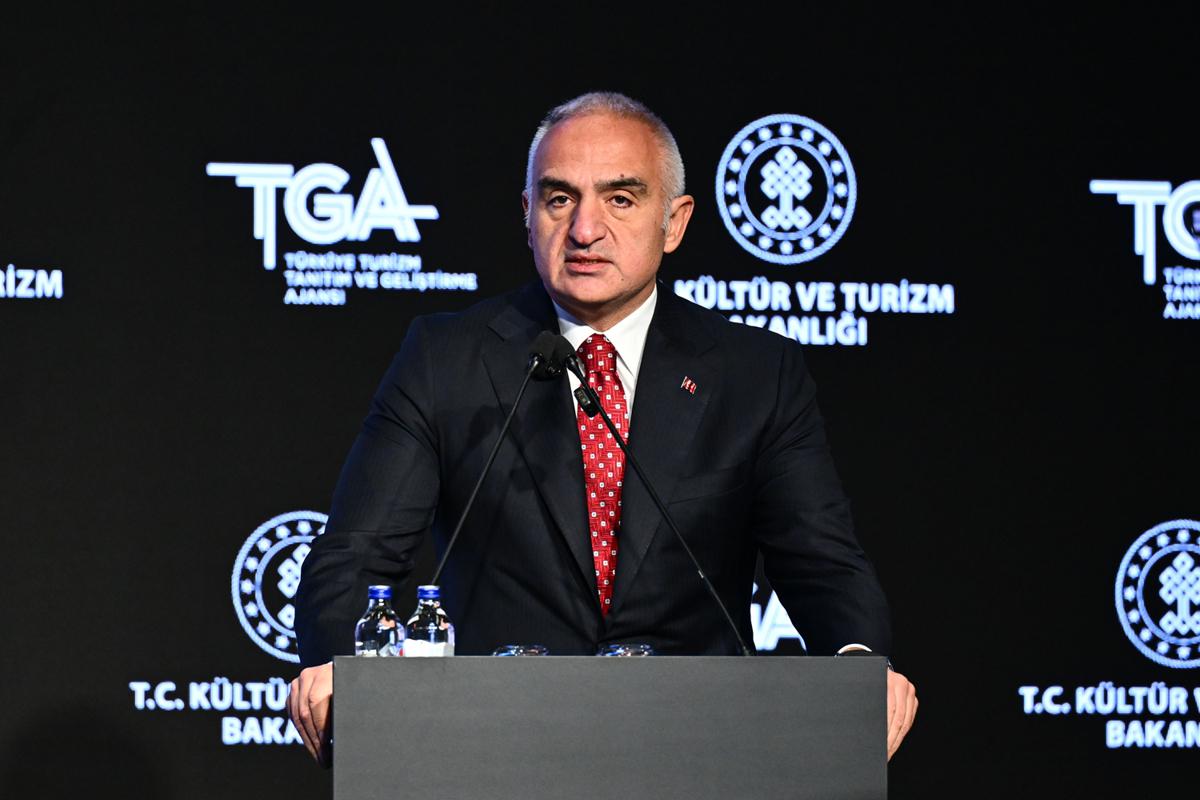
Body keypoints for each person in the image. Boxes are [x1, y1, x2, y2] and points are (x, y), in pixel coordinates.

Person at [288, 91, 917, 767]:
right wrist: (339, 668)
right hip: (496, 750)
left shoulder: (755, 374)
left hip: (698, 751)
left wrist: (859, 664)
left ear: (674, 222)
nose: (585, 229)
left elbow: (821, 563)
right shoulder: (446, 360)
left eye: (621, 198)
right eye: (560, 199)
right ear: (527, 215)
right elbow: (354, 557)